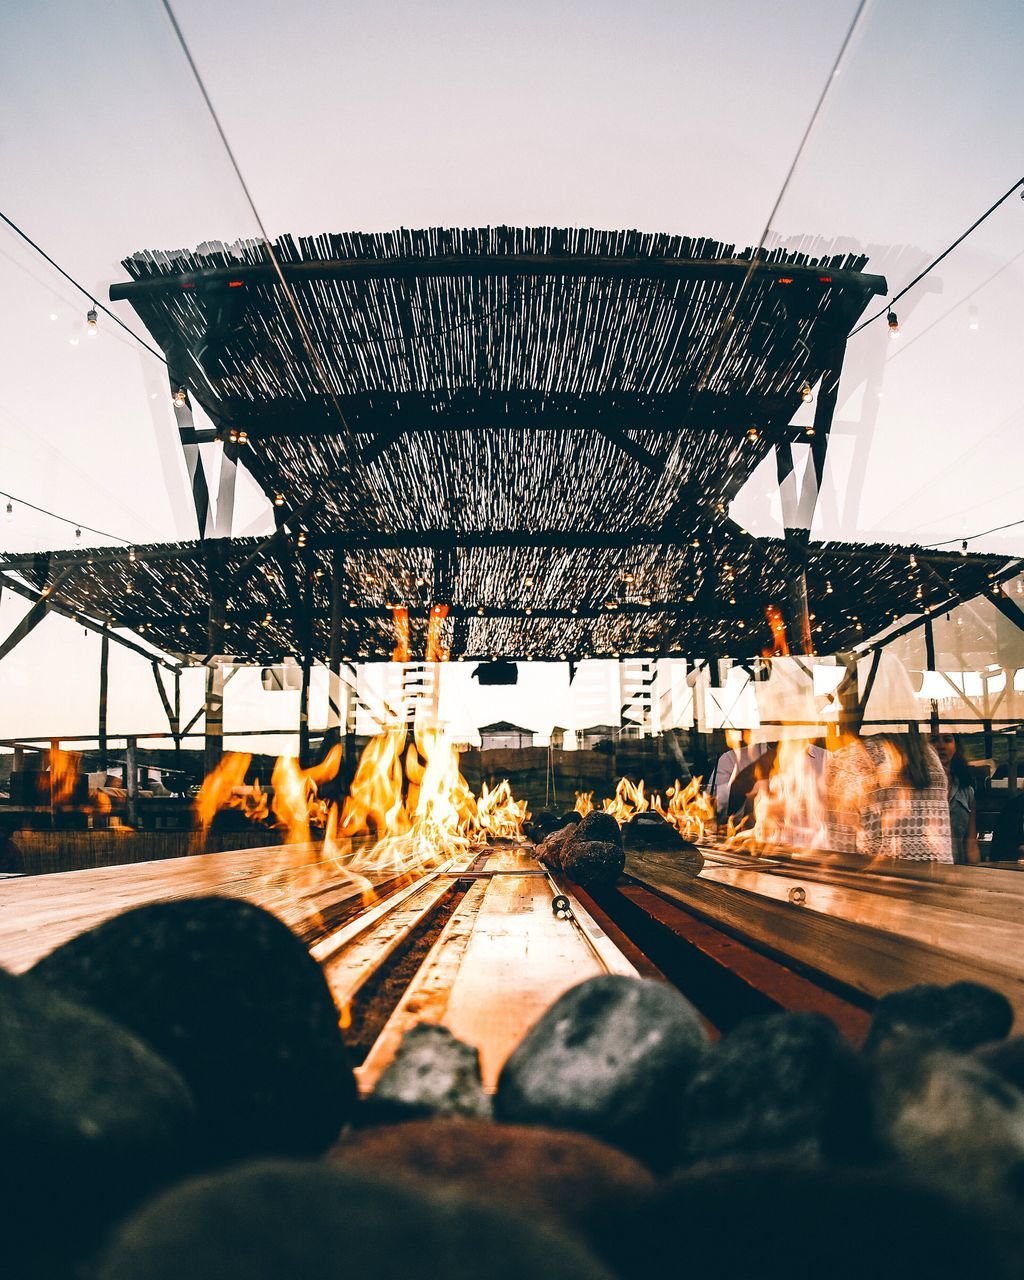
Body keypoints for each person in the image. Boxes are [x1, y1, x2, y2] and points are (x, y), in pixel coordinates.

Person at [825, 730, 952, 862]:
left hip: (880, 875)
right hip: (936, 875)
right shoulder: (929, 755)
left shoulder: (850, 758)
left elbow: (839, 848)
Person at [930, 732, 980, 865]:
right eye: (934, 740)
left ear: (955, 746)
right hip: (927, 872)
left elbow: (971, 845)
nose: (941, 746)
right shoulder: (917, 790)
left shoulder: (966, 792)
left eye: (947, 740)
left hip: (958, 872)